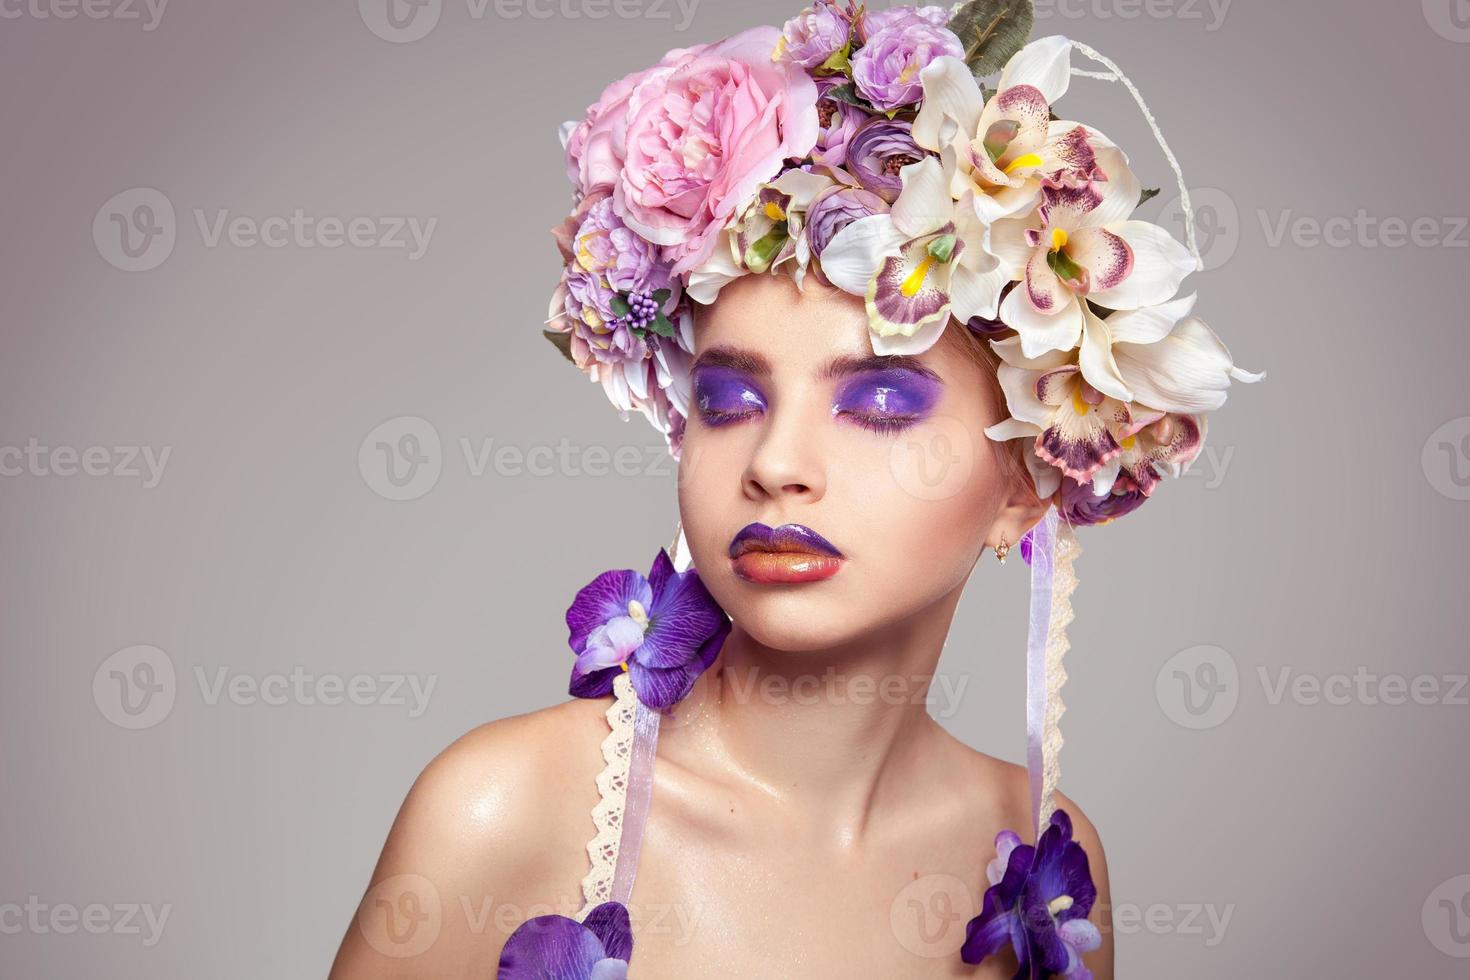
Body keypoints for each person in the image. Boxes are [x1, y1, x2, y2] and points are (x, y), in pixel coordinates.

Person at [331, 3, 1257, 976]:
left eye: (879, 402)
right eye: (729, 399)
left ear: (1026, 485)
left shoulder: (1043, 849)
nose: (775, 461)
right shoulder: (505, 806)